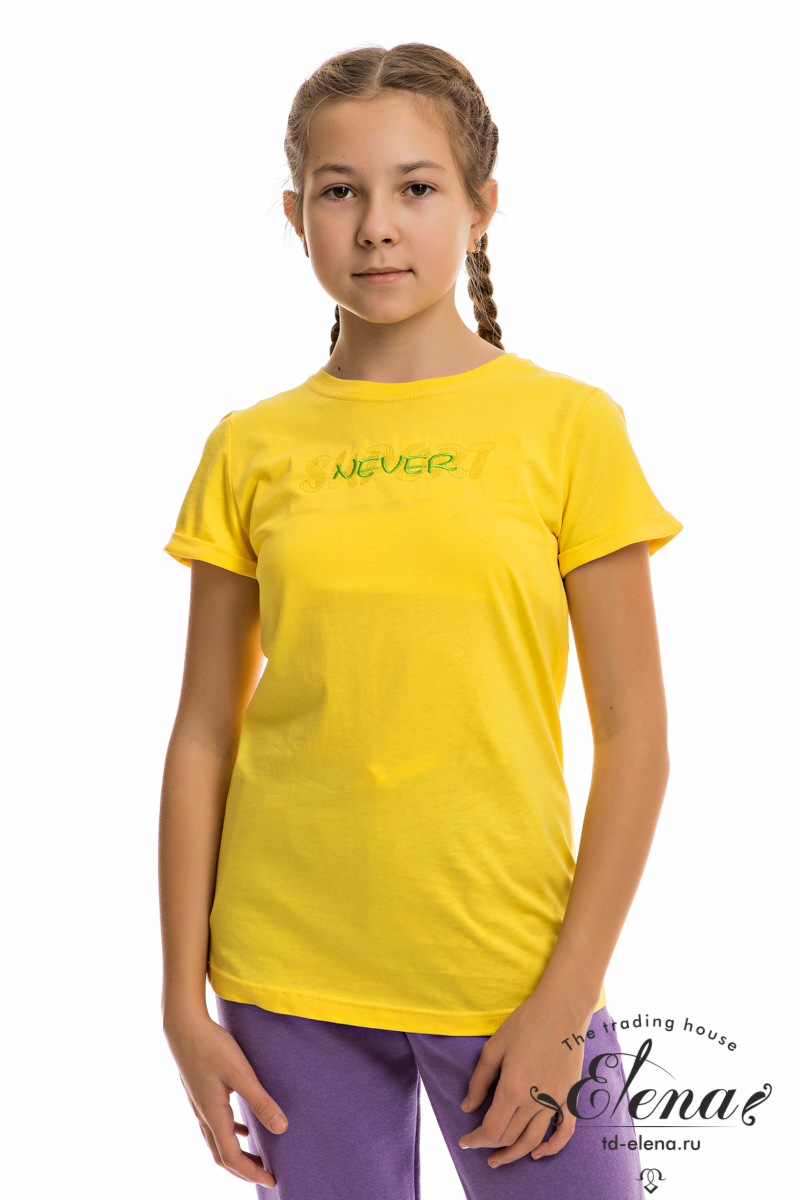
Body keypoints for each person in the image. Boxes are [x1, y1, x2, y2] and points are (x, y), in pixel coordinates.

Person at [159, 42, 683, 1200]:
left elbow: (636, 739)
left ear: (480, 207)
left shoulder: (566, 429)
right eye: (339, 191)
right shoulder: (250, 448)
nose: (376, 226)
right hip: (284, 978)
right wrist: (180, 1004)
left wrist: (564, 1000)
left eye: (416, 187)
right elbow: (203, 732)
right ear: (294, 215)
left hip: (510, 973)